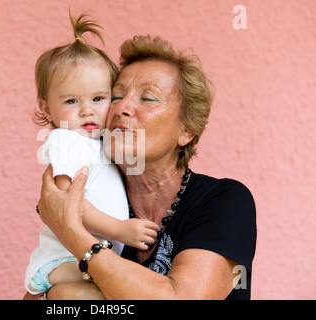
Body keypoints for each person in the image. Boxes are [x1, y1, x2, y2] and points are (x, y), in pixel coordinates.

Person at [26, 33, 257, 300]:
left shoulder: (224, 201)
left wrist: (71, 230)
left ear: (187, 129)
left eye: (148, 98)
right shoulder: (99, 194)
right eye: (115, 96)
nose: (123, 107)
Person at [24, 13, 159, 296]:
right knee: (123, 289)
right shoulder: (66, 140)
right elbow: (67, 204)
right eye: (72, 101)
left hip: (88, 256)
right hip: (66, 260)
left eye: (98, 98)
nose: (87, 110)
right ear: (47, 108)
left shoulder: (100, 143)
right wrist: (120, 230)